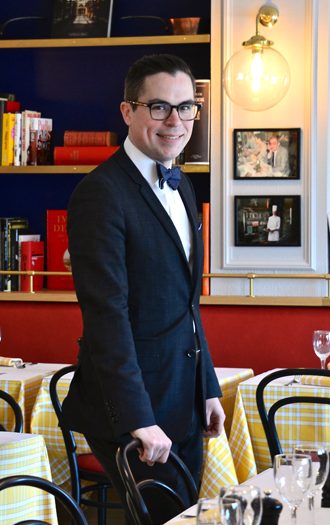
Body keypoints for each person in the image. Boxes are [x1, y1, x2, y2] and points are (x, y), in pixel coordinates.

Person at [63, 54, 224, 525]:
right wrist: (139, 418)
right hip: (135, 413)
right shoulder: (101, 194)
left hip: (185, 397)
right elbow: (106, 315)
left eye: (186, 107)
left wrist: (207, 388)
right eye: (158, 107)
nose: (175, 120)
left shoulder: (183, 184)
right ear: (127, 112)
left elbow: (185, 305)